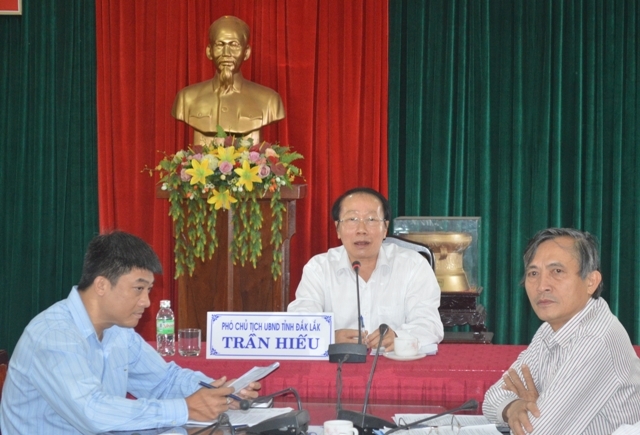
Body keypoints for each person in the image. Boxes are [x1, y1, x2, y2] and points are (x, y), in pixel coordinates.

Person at [0, 231, 259, 434]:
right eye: (138, 289)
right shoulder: (54, 335)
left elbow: (164, 381)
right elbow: (92, 412)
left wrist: (221, 393)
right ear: (101, 285)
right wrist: (185, 408)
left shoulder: (117, 331)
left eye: (149, 290)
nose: (146, 302)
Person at [483, 228, 640, 435]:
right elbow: (491, 400)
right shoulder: (550, 329)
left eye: (557, 271)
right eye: (533, 273)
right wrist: (513, 407)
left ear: (591, 282)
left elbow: (537, 432)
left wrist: (531, 411)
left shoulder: (596, 338)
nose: (542, 286)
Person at [287, 187, 443, 351]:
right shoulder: (319, 268)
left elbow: (429, 324)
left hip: (394, 363)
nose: (361, 230)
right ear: (337, 229)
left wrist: (399, 337)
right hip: (339, 363)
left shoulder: (413, 265)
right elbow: (300, 321)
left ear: (385, 228)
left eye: (371, 219)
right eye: (352, 219)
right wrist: (328, 336)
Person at [171, 15, 285, 145]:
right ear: (209, 51)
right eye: (220, 45)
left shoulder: (269, 100)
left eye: (234, 45)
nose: (226, 53)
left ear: (246, 52)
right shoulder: (186, 98)